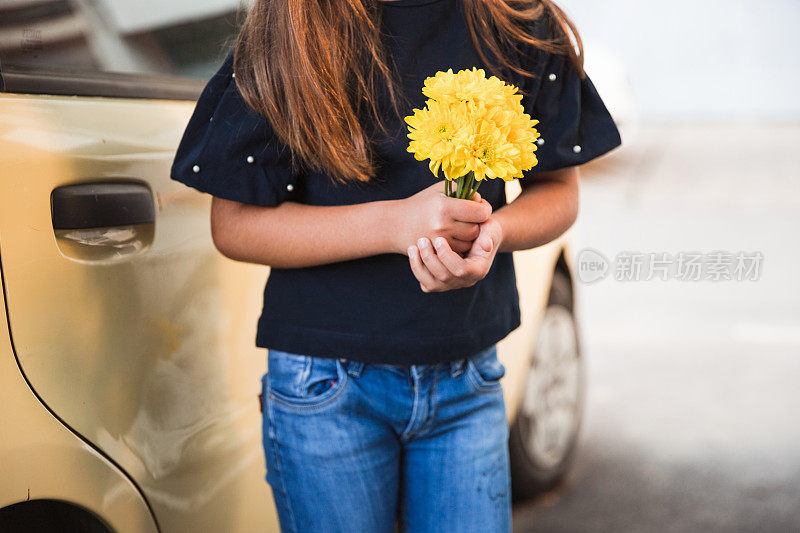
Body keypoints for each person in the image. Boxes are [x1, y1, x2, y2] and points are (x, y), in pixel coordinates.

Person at [170, 0, 620, 531]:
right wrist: (396, 225)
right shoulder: (294, 20)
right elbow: (235, 225)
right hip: (325, 387)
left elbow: (558, 190)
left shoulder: (514, 16)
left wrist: (492, 235)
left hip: (467, 379)